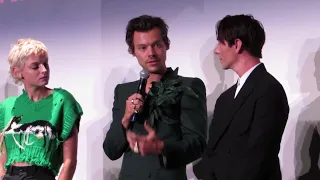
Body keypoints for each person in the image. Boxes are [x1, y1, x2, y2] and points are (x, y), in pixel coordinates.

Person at [103, 15, 207, 180]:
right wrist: (125, 118)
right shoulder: (123, 91)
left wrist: (161, 147)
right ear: (133, 51)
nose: (151, 53)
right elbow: (111, 151)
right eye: (142, 48)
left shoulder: (188, 87)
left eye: (156, 45)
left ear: (167, 44)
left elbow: (198, 144)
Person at [193, 14, 289, 180]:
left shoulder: (269, 91)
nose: (216, 51)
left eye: (220, 43)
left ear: (236, 45)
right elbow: (213, 151)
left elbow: (258, 158)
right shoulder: (225, 99)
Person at [0, 38, 83, 180]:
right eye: (35, 66)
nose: (44, 70)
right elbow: (2, 156)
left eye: (45, 64)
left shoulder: (62, 101)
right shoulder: (7, 106)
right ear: (18, 72)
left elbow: (70, 161)